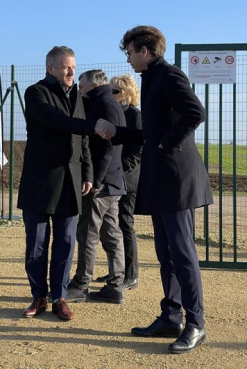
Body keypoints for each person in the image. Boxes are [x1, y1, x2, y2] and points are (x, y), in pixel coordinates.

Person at [96, 26, 213, 354]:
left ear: (145, 50)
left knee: (183, 254)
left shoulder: (169, 75)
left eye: (130, 52)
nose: (128, 57)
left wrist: (166, 143)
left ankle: (196, 324)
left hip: (177, 180)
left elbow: (195, 113)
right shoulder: (152, 78)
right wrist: (116, 133)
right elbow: (149, 133)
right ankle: (171, 316)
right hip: (163, 180)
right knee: (167, 254)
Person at [17, 46, 96, 321]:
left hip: (71, 180)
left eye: (73, 66)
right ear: (50, 68)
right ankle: (38, 296)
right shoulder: (35, 92)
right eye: (65, 67)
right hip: (40, 179)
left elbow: (82, 140)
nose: (71, 71)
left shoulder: (77, 94)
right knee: (37, 243)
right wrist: (93, 126)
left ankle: (59, 297)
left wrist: (87, 173)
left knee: (65, 241)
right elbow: (56, 121)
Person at [67, 70, 126, 304]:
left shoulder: (104, 105)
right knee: (111, 234)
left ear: (93, 85)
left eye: (81, 84)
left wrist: (96, 181)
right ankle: (115, 285)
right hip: (113, 182)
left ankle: (81, 284)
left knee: (88, 233)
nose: (79, 88)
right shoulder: (108, 103)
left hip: (103, 183)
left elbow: (106, 148)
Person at [96, 74, 142, 291]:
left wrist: (121, 168)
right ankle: (117, 271)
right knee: (110, 227)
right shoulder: (112, 112)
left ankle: (130, 274)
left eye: (115, 91)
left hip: (127, 179)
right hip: (113, 178)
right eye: (109, 91)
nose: (111, 95)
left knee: (125, 224)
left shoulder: (134, 115)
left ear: (127, 93)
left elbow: (138, 148)